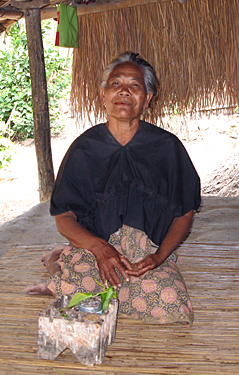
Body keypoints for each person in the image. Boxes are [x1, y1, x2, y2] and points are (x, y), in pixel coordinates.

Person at [27, 51, 201, 325]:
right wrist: (101, 249)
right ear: (103, 94)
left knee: (170, 305)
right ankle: (62, 259)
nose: (124, 92)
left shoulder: (168, 148)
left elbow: (184, 213)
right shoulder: (83, 149)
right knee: (89, 284)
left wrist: (157, 257)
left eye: (134, 85)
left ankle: (64, 267)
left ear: (148, 98)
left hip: (146, 248)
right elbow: (64, 217)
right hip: (96, 247)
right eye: (115, 83)